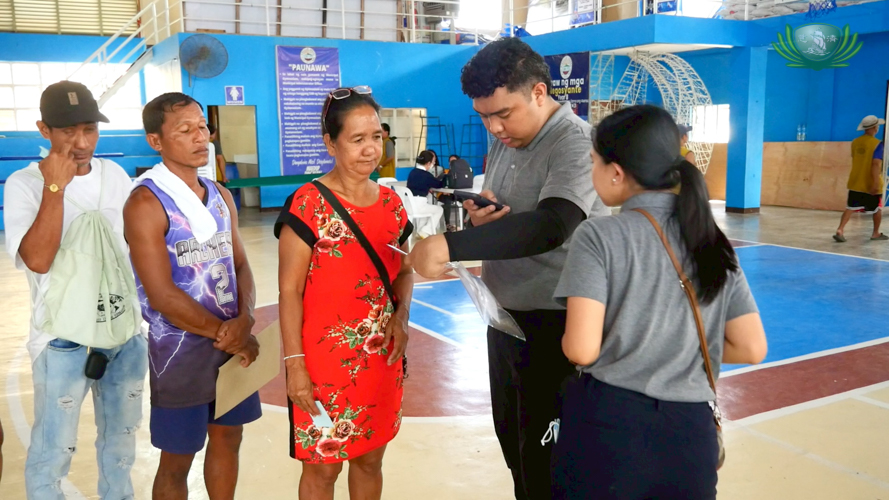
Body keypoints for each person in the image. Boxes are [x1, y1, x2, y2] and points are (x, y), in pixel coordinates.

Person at [407, 37, 610, 500]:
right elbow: (515, 217)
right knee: (518, 452)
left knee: (553, 465)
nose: (494, 127)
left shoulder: (575, 142)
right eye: (484, 116)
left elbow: (553, 224)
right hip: (505, 319)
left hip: (558, 324)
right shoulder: (508, 138)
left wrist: (452, 244)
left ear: (539, 92)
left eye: (503, 114)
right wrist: (483, 218)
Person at [550, 105, 768, 499]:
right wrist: (674, 348)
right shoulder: (711, 239)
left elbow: (581, 350)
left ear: (616, 172)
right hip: (691, 433)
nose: (591, 170)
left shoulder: (598, 236)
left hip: (611, 429)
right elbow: (752, 347)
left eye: (593, 161)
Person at [4, 80, 148, 499]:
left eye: (90, 129)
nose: (81, 143)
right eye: (68, 131)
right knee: (53, 450)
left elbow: (134, 249)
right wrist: (55, 187)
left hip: (122, 332)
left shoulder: (114, 175)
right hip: (61, 340)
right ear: (44, 130)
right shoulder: (24, 184)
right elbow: (38, 259)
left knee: (121, 446)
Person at [275, 86, 412, 500]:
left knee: (370, 459)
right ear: (330, 143)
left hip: (381, 357)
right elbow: (288, 291)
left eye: (376, 137)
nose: (370, 149)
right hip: (322, 366)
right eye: (357, 139)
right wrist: (295, 366)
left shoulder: (392, 204)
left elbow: (405, 270)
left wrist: (401, 318)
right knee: (323, 468)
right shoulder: (307, 205)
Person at [124, 92, 260, 500]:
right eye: (185, 130)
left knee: (229, 439)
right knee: (177, 459)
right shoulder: (145, 202)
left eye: (202, 127)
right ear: (156, 141)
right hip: (179, 354)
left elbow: (240, 265)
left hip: (231, 341)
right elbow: (162, 295)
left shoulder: (220, 194)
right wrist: (231, 334)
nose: (201, 137)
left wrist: (246, 318)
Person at [835, 114, 887, 242]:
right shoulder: (877, 144)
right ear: (875, 127)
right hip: (869, 183)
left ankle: (840, 229)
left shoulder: (855, 142)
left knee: (850, 207)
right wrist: (875, 183)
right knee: (877, 209)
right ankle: (875, 233)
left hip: (855, 181)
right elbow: (875, 164)